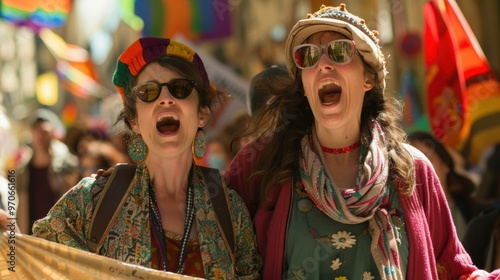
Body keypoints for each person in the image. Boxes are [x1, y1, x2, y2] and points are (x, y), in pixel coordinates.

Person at [224, 4, 500, 279]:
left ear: (368, 78)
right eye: (308, 56)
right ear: (304, 86)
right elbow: (205, 241)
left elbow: (454, 270)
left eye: (340, 51)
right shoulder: (260, 164)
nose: (323, 64)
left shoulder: (412, 170)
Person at [32, 37, 261, 278]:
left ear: (202, 114)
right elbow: (28, 258)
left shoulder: (231, 209)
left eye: (180, 88)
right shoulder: (92, 200)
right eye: (149, 91)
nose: (165, 99)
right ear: (134, 121)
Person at [408, 131, 483, 239]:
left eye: (428, 160)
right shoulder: (407, 225)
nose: (420, 169)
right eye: (412, 165)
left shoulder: (479, 213)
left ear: (445, 165)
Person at [16, 109, 80, 234]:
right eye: (36, 131)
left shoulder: (66, 163)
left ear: (52, 134)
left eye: (44, 131)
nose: (40, 135)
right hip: (31, 235)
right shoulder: (23, 168)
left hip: (59, 234)